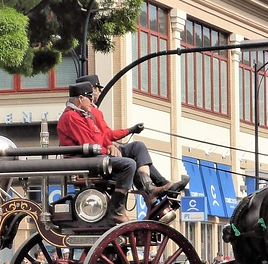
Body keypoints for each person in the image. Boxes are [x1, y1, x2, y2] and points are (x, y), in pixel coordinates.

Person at [75, 74, 189, 202]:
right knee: (134, 154)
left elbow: (102, 135)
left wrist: (113, 141)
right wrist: (125, 133)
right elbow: (104, 136)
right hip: (99, 157)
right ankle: (154, 189)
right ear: (88, 92)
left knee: (137, 150)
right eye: (97, 88)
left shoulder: (88, 112)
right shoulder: (88, 113)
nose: (100, 91)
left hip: (101, 153)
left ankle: (154, 188)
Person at [57, 82, 138, 223]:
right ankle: (116, 209)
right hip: (85, 160)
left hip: (94, 155)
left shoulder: (83, 115)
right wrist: (108, 149)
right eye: (90, 97)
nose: (92, 101)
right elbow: (88, 143)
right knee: (128, 164)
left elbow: (100, 137)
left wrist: (109, 145)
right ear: (81, 98)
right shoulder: (72, 117)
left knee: (136, 149)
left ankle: (151, 189)